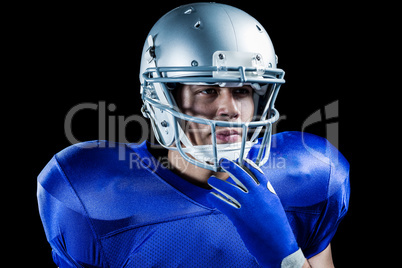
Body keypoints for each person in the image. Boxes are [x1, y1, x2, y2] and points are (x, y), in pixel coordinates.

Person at [37, 3, 350, 267]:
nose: (229, 109)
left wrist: (287, 257)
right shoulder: (91, 192)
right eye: (208, 90)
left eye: (242, 90)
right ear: (162, 97)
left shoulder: (309, 173)